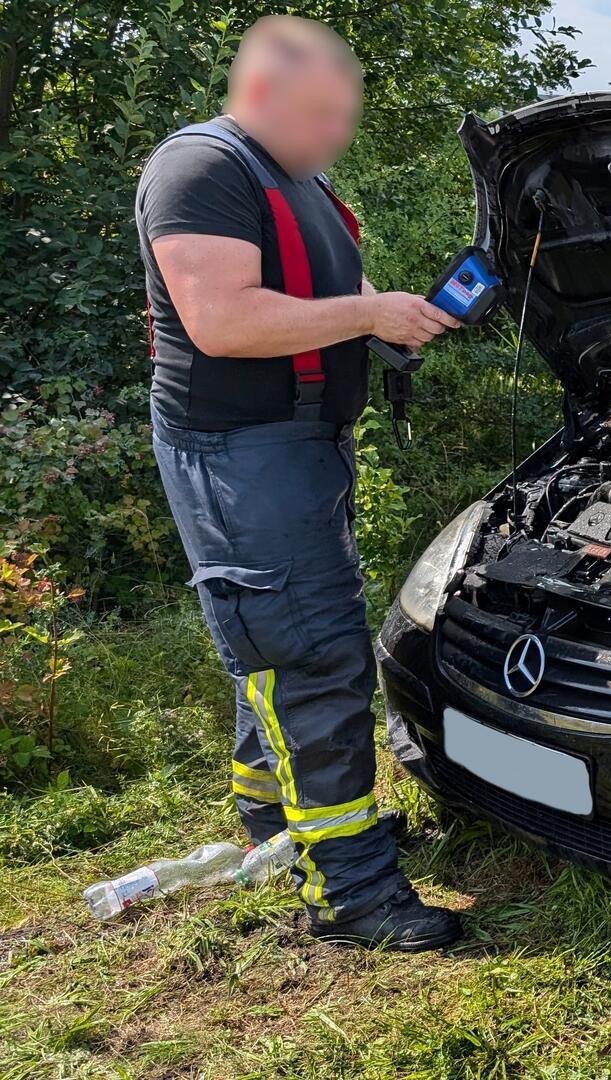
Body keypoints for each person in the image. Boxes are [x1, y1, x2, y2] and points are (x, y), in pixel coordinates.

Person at [135, 15, 462, 950]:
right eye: (323, 116)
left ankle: (280, 823)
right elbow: (223, 321)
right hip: (239, 452)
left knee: (278, 649)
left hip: (299, 446)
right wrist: (369, 310)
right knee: (311, 654)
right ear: (264, 91)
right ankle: (353, 892)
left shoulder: (294, 177)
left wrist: (380, 326)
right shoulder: (203, 168)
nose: (336, 138)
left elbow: (301, 307)